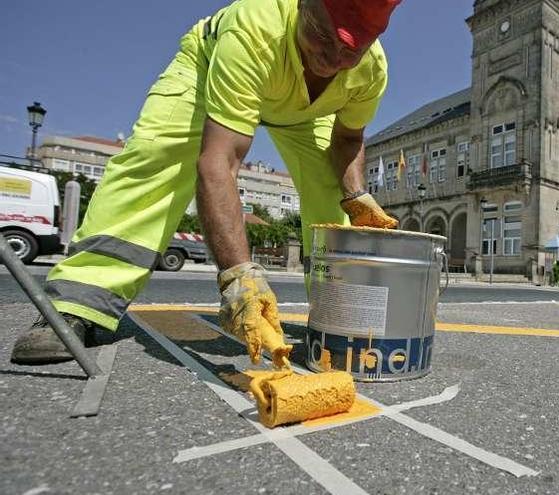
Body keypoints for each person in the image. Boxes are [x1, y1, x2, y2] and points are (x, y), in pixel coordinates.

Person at [11, 0, 401, 366]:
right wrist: (238, 277)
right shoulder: (254, 29)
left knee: (333, 199)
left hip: (303, 112)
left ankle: (339, 315)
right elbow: (220, 162)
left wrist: (356, 195)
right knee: (155, 157)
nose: (330, 61)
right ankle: (80, 300)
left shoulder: (370, 70)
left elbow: (347, 138)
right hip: (208, 68)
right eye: (321, 34)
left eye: (350, 51)